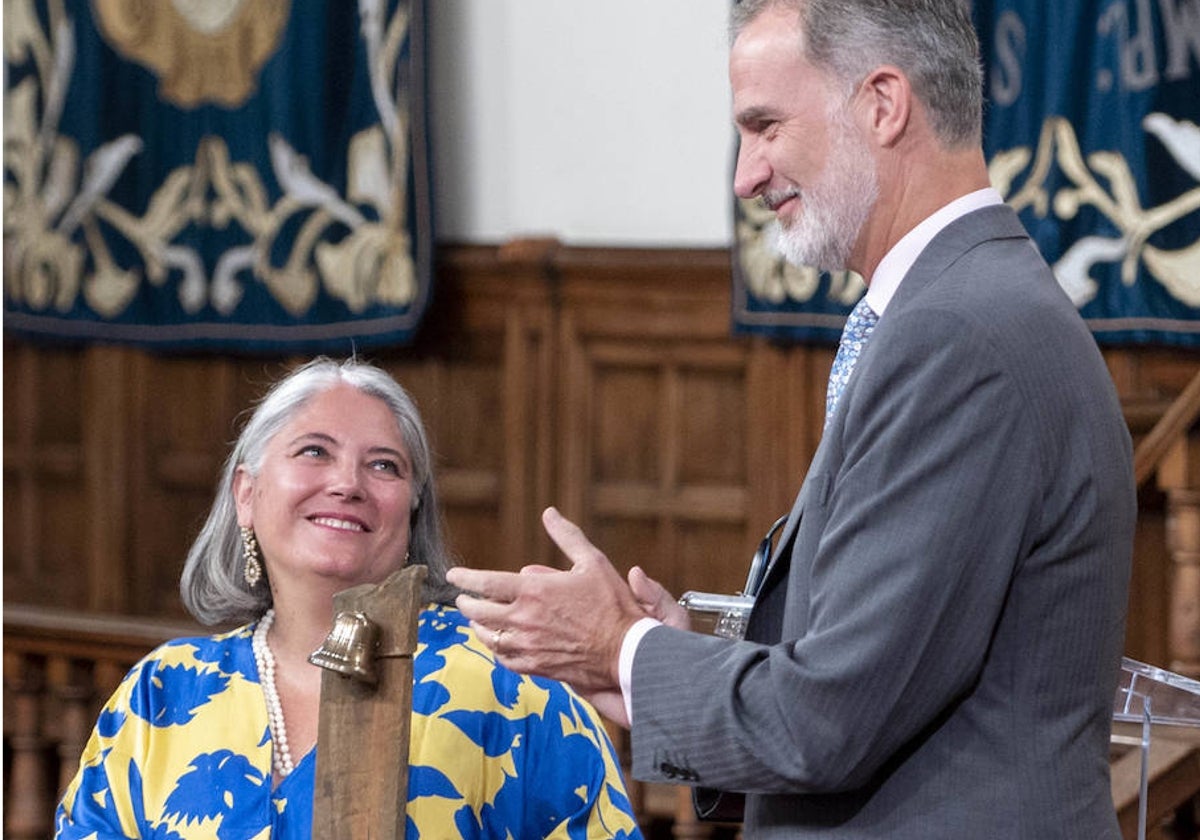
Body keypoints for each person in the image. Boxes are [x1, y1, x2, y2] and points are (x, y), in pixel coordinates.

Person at [446, 1, 1137, 838]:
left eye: (765, 126)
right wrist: (670, 663)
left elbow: (829, 720)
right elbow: (885, 685)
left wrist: (621, 649)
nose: (745, 176)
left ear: (883, 104)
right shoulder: (955, 309)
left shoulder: (958, 334)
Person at [54, 357, 643, 839]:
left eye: (383, 465)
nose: (346, 484)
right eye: (314, 451)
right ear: (247, 493)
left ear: (412, 511)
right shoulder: (163, 692)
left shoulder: (514, 690)